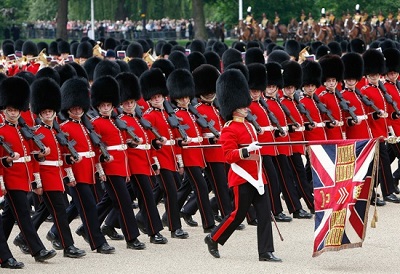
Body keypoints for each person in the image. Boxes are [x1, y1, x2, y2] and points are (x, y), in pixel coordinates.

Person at [204, 68, 281, 262]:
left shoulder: (248, 125)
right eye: (242, 105)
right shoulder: (229, 129)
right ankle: (213, 238)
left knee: (264, 214)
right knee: (238, 214)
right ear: (233, 106)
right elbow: (229, 156)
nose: (247, 107)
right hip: (241, 178)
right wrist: (246, 150)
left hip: (256, 176)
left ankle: (265, 251)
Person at [0, 77, 57, 263]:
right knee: (24, 214)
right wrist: (6, 161)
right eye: (10, 110)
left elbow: (30, 155)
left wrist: (40, 156)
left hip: (23, 177)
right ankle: (37, 250)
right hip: (10, 177)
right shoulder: (2, 131)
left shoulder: (23, 130)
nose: (13, 113)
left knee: (8, 216)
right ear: (4, 111)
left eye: (16, 110)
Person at [29, 77, 86, 259]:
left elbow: (62, 157)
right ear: (40, 114)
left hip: (57, 175)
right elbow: (34, 160)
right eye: (45, 112)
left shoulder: (56, 132)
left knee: (48, 210)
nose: (48, 115)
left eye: (51, 112)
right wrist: (36, 182)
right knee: (60, 211)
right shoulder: (36, 133)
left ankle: (23, 237)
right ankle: (68, 246)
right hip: (46, 176)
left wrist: (69, 171)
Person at [90, 75, 146, 250]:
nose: (106, 108)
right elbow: (98, 149)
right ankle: (132, 238)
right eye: (103, 106)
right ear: (98, 106)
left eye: (108, 105)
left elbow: (122, 146)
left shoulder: (116, 122)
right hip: (110, 167)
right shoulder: (95, 123)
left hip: (122, 167)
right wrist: (101, 170)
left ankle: (86, 228)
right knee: (124, 202)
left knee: (115, 201)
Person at [116, 72, 168, 245]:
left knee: (112, 200)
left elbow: (147, 142)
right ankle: (154, 232)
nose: (130, 105)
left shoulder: (139, 119)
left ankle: (107, 224)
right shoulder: (121, 121)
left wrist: (156, 149)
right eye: (126, 103)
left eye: (132, 102)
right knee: (146, 197)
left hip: (144, 161)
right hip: (133, 163)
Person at [361, 49, 400, 204]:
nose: (375, 77)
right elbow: (366, 113)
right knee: (379, 164)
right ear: (368, 75)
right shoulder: (365, 91)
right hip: (374, 133)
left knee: (378, 165)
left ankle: (370, 192)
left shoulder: (381, 89)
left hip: (384, 130)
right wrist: (378, 116)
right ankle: (387, 191)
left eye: (377, 75)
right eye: (372, 75)